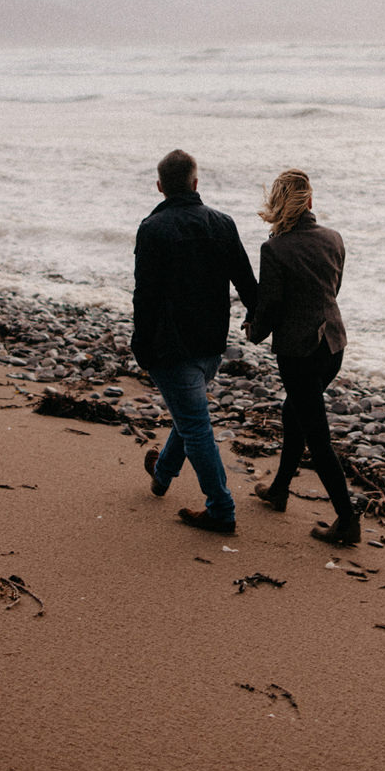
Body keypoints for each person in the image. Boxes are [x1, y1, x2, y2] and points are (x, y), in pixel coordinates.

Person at [132, 148, 258, 534]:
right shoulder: (222, 223)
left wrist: (141, 343)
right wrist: (257, 319)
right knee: (191, 414)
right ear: (196, 183)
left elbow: (145, 295)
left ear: (159, 187)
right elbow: (246, 282)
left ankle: (221, 509)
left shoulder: (152, 229)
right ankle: (163, 471)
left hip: (171, 346)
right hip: (210, 342)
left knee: (195, 423)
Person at [243, 168, 358, 546]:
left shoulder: (274, 249)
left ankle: (347, 520)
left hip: (299, 353)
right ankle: (278, 490)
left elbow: (271, 304)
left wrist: (253, 331)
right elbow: (333, 288)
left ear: (279, 205)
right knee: (294, 412)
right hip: (333, 346)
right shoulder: (333, 238)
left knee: (316, 435)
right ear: (310, 201)